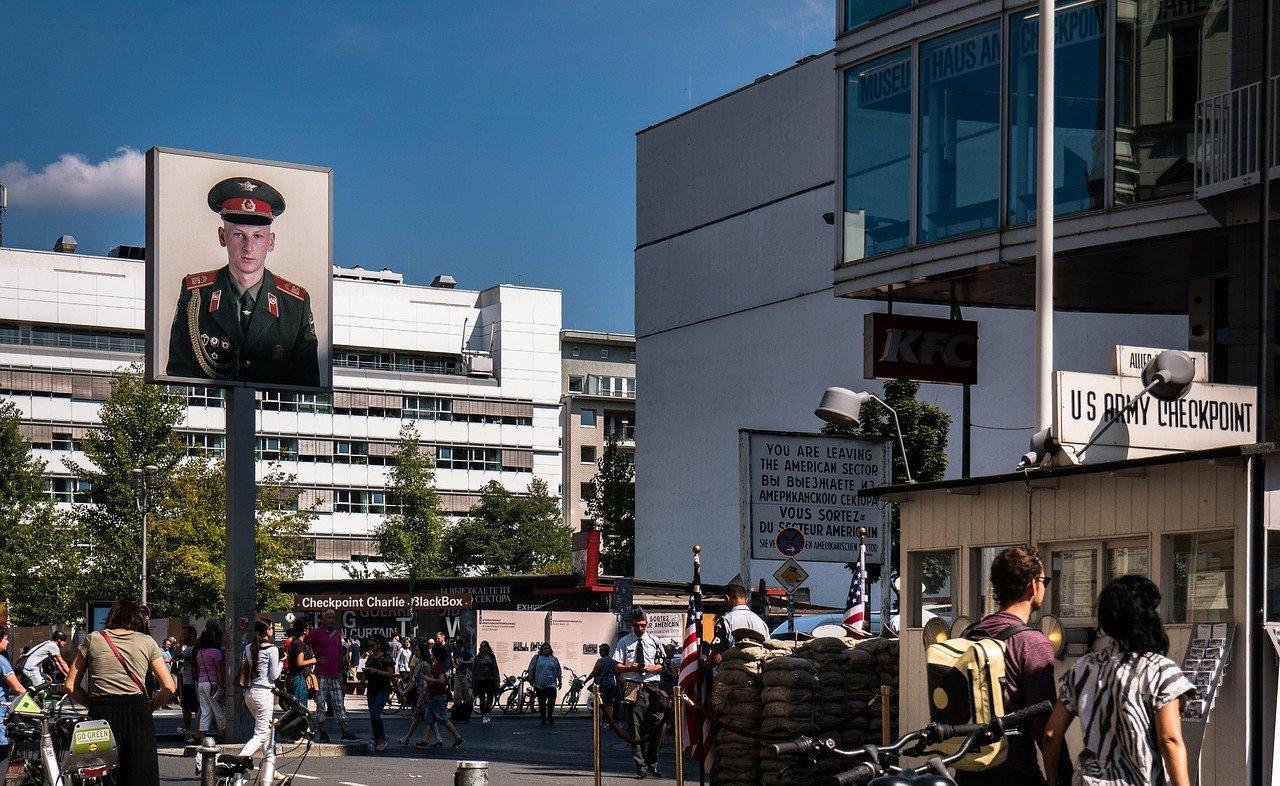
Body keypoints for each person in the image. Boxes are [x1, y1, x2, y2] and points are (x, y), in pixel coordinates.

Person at [166, 176, 319, 386]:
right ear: (222, 237)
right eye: (238, 234)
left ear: (271, 242)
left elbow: (307, 387)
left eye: (257, 236)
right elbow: (179, 375)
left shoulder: (295, 304)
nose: (248, 247)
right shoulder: (195, 294)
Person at [1043, 576, 1195, 786]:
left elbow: (1051, 734)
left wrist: (1052, 780)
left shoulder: (1082, 668)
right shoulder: (1161, 671)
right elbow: (1168, 739)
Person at [956, 547, 1069, 786]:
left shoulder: (970, 634)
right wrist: (1059, 778)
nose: (1045, 587)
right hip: (1014, 770)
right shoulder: (1031, 642)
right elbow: (1044, 726)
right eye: (1044, 580)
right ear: (1031, 585)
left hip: (968, 767)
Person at [65, 599, 176, 786]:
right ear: (136, 619)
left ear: (112, 616)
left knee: (101, 776)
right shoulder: (147, 641)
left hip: (102, 713)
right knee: (141, 775)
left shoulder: (94, 639)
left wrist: (93, 704)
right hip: (138, 712)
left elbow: (70, 686)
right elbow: (169, 686)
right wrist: (151, 706)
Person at [614, 607, 666, 779]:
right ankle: (640, 766)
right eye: (636, 625)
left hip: (652, 686)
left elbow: (662, 664)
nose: (639, 628)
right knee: (635, 729)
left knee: (660, 725)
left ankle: (653, 762)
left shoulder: (655, 641)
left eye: (642, 625)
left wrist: (652, 668)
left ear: (647, 624)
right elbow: (617, 666)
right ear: (632, 625)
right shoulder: (624, 642)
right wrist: (632, 667)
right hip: (633, 685)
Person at [305, 609, 362, 743]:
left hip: (335, 675)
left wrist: (341, 674)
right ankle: (323, 733)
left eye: (333, 618)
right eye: (329, 617)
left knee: (339, 704)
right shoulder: (316, 633)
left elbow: (338, 654)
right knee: (320, 704)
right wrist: (313, 658)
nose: (331, 620)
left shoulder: (337, 634)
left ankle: (345, 732)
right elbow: (305, 644)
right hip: (321, 675)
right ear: (323, 619)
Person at [238, 620, 283, 762]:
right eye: (270, 628)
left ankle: (269, 766)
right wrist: (281, 663)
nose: (272, 630)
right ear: (266, 631)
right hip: (264, 693)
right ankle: (237, 763)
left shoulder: (249, 648)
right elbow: (274, 675)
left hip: (250, 693)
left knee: (268, 731)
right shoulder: (272, 649)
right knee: (261, 734)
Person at [410, 644, 464, 749]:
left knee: (442, 718)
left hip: (437, 696)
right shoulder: (436, 665)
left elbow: (442, 680)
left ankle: (458, 737)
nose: (431, 653)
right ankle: (424, 740)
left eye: (432, 652)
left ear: (435, 654)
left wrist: (428, 679)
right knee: (429, 719)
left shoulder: (437, 666)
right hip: (433, 696)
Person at [0, 626, 28, 776]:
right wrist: (34, 707)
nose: (8, 642)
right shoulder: (1, 661)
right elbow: (18, 689)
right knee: (3, 751)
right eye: (6, 638)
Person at [360, 637, 395, 753]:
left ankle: (382, 737)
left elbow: (390, 674)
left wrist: (376, 671)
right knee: (372, 716)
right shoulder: (370, 658)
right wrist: (362, 681)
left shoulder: (386, 658)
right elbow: (366, 671)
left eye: (373, 645)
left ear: (379, 644)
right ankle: (376, 738)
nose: (371, 648)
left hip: (383, 689)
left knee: (375, 714)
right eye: (369, 646)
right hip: (371, 689)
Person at [193, 629, 225, 739]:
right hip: (212, 683)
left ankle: (202, 735)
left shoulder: (199, 653)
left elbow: (198, 669)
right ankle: (223, 731)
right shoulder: (216, 652)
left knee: (205, 710)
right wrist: (221, 684)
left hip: (201, 683)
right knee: (217, 709)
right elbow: (219, 670)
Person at [525, 642, 562, 726]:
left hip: (551, 683)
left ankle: (549, 716)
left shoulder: (554, 659)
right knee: (542, 701)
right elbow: (531, 668)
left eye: (548, 648)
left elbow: (558, 671)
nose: (546, 650)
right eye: (545, 648)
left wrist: (560, 682)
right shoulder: (537, 658)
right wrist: (530, 678)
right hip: (539, 683)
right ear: (542, 649)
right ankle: (543, 718)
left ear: (550, 650)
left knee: (551, 702)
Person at [584, 642, 620, 728]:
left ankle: (599, 723)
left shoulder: (600, 661)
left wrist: (586, 680)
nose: (599, 652)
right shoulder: (613, 662)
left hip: (601, 684)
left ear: (603, 652)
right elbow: (617, 672)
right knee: (609, 704)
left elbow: (594, 672)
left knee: (599, 704)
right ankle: (610, 724)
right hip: (611, 684)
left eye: (600, 651)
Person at [285, 618, 317, 712]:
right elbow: (300, 662)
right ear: (303, 630)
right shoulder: (300, 644)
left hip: (293, 677)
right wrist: (313, 660)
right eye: (307, 629)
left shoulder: (293, 643)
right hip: (299, 679)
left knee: (296, 708)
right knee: (301, 708)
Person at [177, 626, 200, 738]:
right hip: (195, 681)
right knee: (196, 707)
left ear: (191, 635)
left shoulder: (190, 649)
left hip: (188, 682)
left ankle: (188, 730)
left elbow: (175, 656)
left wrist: (180, 644)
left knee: (186, 707)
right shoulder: (197, 648)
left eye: (185, 634)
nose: (183, 636)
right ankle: (198, 731)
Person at [472, 641, 501, 724]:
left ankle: (487, 713)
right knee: (481, 697)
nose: (483, 648)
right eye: (482, 646)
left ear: (488, 647)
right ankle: (484, 713)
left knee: (490, 697)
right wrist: (473, 680)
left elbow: (495, 668)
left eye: (485, 646)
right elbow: (474, 669)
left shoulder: (492, 656)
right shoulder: (478, 657)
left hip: (490, 679)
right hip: (480, 679)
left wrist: (497, 680)